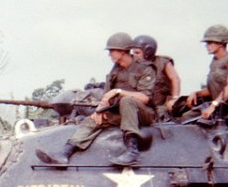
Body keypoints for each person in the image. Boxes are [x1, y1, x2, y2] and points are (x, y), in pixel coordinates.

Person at [36, 32, 156, 168]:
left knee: (127, 101)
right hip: (122, 112)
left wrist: (118, 92)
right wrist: (99, 111)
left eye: (111, 51)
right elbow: (106, 96)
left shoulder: (145, 68)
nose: (109, 54)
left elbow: (145, 98)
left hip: (143, 114)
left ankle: (132, 152)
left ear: (122, 51)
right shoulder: (116, 69)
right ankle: (65, 153)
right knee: (93, 120)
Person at [185, 24, 228, 119]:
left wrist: (213, 106)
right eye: (206, 43)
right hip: (221, 103)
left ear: (221, 43)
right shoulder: (215, 62)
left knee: (216, 76)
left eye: (210, 42)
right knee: (187, 117)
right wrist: (196, 93)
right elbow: (214, 89)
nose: (207, 46)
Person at [131, 34, 181, 119]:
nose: (134, 56)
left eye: (137, 53)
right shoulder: (134, 65)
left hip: (161, 106)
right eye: (133, 53)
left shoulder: (162, 62)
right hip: (142, 106)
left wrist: (174, 99)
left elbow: (175, 79)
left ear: (148, 51)